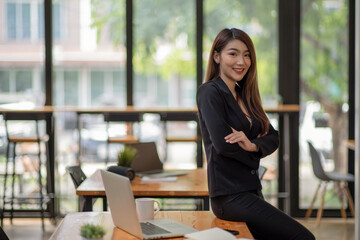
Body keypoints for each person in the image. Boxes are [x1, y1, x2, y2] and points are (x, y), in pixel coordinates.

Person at [196, 28, 315, 240]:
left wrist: (252, 146)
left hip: (250, 192)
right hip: (229, 196)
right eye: (233, 54)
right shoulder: (210, 92)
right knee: (303, 237)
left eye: (247, 54)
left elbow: (273, 137)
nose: (241, 61)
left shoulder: (244, 94)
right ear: (217, 56)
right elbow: (223, 146)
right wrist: (255, 153)